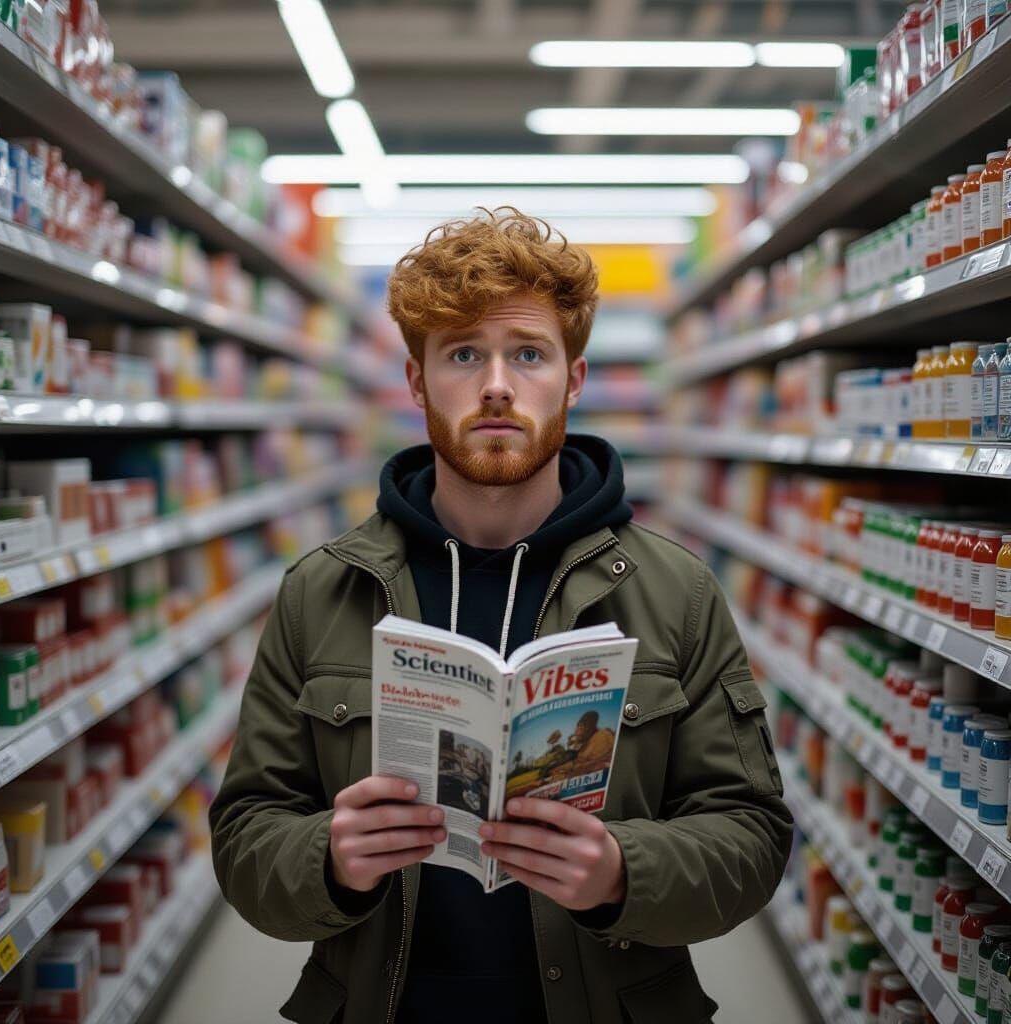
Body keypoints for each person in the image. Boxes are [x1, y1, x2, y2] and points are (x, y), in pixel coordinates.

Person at [209, 208, 793, 1024]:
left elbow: (754, 836)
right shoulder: (321, 592)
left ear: (574, 379)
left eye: (528, 354)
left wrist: (624, 871)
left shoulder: (676, 593)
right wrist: (330, 860)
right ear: (416, 383)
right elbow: (243, 838)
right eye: (461, 354)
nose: (495, 384)